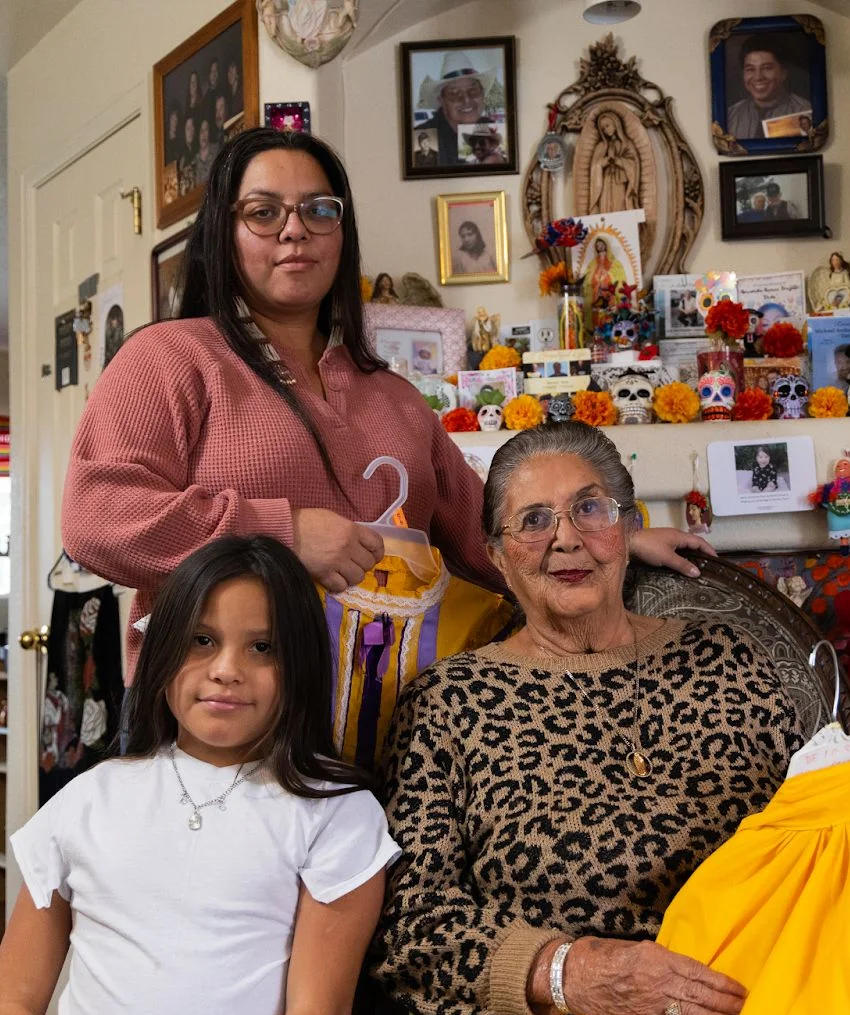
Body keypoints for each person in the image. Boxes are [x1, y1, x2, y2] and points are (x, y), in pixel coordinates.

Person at [371, 422, 850, 1015]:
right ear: (499, 557)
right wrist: (570, 973)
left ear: (626, 527)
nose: (566, 537)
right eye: (533, 520)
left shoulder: (728, 658)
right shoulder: (449, 704)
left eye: (589, 508)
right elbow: (410, 928)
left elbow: (820, 823)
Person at [61, 127, 707, 681]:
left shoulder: (393, 396)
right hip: (226, 737)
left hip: (390, 737)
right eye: (263, 212)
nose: (294, 230)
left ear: (341, 231)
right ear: (223, 233)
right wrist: (282, 534)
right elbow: (97, 519)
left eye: (318, 209)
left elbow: (483, 535)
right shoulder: (167, 360)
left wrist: (605, 539)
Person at [0, 536, 399, 1015]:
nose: (226, 669)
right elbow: (7, 1005)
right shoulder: (87, 796)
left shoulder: (336, 812)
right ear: (163, 649)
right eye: (201, 640)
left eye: (263, 647)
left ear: (302, 665)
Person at [414, 50, 497, 166]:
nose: (466, 100)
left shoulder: (492, 129)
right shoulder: (423, 137)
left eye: (473, 90)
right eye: (454, 93)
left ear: (482, 95)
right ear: (442, 102)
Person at [724, 36, 811, 140]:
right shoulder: (730, 116)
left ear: (783, 72)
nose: (758, 77)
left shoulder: (806, 111)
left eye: (767, 68)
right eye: (750, 69)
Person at [586, 110, 640, 213]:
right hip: (605, 181)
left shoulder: (626, 144)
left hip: (619, 182)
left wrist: (618, 161)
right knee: (605, 208)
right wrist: (602, 163)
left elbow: (633, 164)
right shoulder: (601, 146)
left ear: (615, 124)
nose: (606, 130)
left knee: (619, 206)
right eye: (603, 129)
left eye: (607, 126)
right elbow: (594, 167)